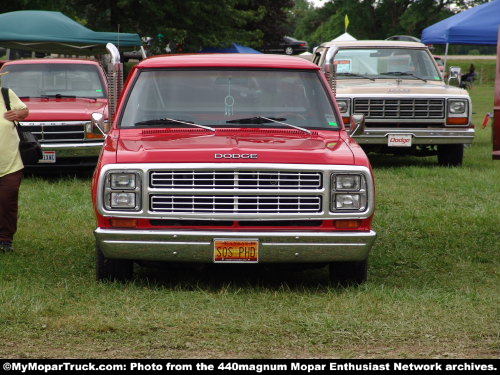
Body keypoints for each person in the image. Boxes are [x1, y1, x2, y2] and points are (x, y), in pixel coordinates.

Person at [0, 72, 29, 252]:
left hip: (10, 163)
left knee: (7, 200)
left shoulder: (5, 93)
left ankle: (5, 239)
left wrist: (18, 113)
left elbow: (25, 112)